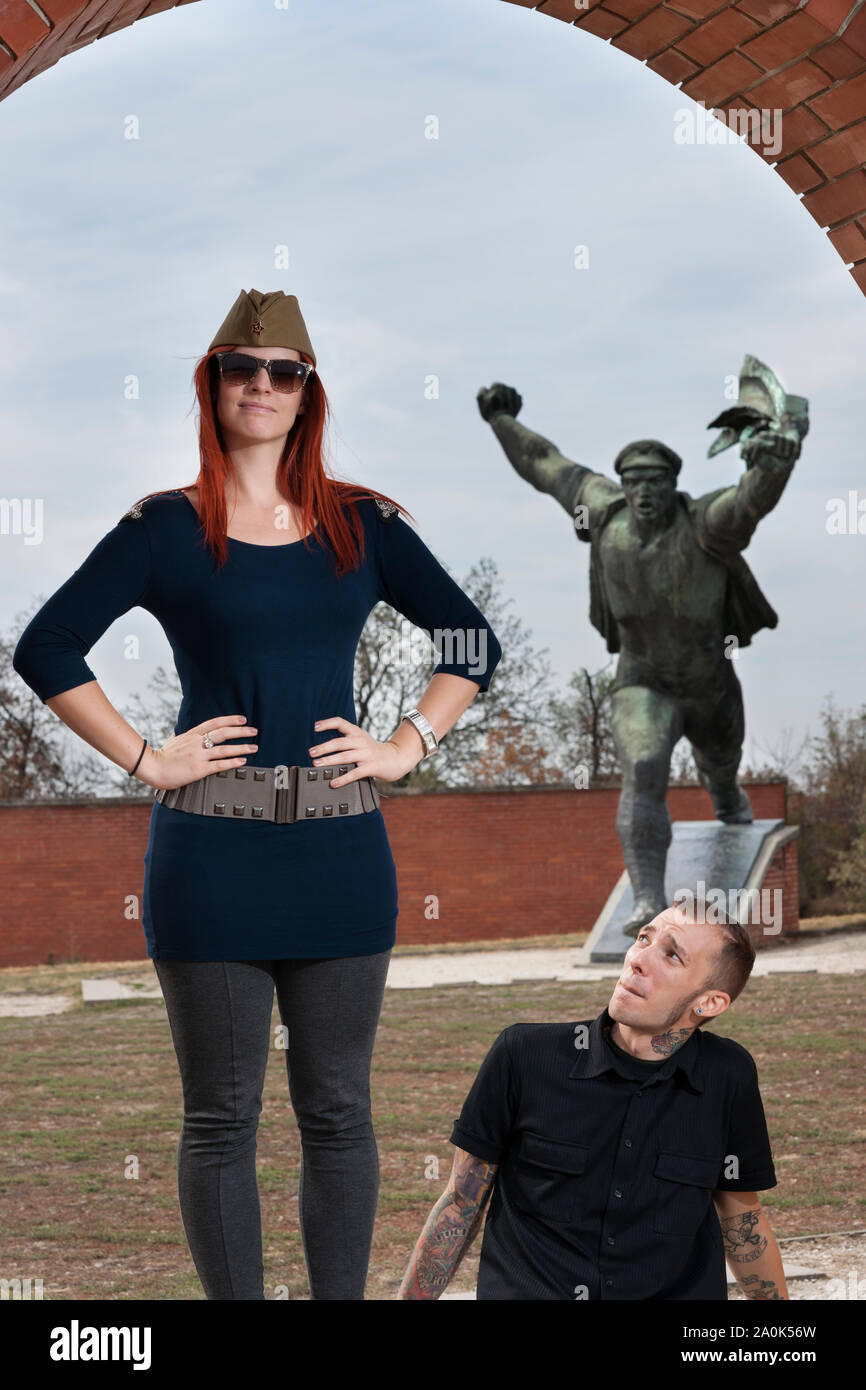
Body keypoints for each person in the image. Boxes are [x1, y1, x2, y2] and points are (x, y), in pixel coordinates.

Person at [13, 287, 502, 1301]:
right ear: (213, 383)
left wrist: (407, 743)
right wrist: (147, 758)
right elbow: (46, 646)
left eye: (285, 372)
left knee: (336, 1111)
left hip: (340, 858)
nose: (263, 386)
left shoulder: (362, 526)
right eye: (243, 368)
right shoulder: (163, 528)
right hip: (208, 860)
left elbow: (470, 643)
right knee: (221, 1115)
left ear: (308, 393)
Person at [477, 380, 803, 935]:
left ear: (674, 484)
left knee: (720, 773)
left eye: (655, 481)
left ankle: (727, 799)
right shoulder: (603, 516)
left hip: (709, 681)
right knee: (644, 766)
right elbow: (544, 462)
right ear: (622, 485)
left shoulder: (706, 526)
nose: (643, 491)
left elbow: (751, 499)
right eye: (633, 481)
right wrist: (501, 420)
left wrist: (773, 462)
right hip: (642, 678)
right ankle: (648, 899)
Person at [398, 899, 786, 1301]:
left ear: (709, 1002)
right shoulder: (524, 1055)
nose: (637, 958)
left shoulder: (728, 1074)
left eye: (671, 955)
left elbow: (743, 1219)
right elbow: (461, 1203)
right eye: (643, 938)